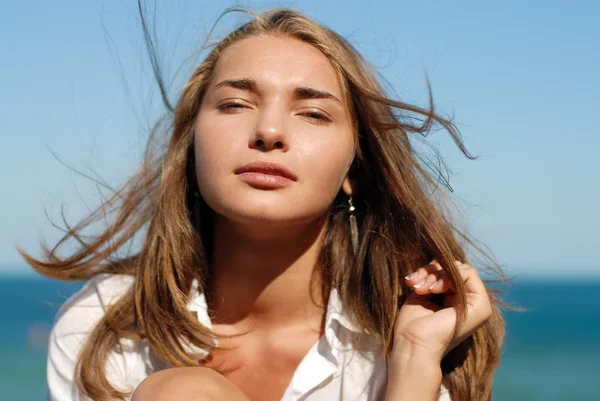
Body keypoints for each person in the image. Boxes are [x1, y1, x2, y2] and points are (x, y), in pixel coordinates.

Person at [20, 6, 505, 401]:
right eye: (234, 104)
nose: (269, 132)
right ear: (191, 144)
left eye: (313, 113)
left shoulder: (408, 331)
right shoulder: (105, 326)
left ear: (354, 170)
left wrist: (414, 360)